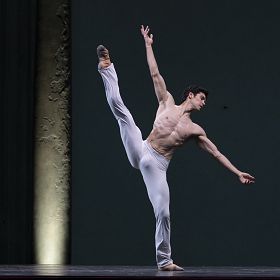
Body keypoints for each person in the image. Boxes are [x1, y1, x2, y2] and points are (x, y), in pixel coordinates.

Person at [96, 25, 255, 271]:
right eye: (202, 98)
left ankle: (164, 261)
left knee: (164, 213)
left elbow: (216, 153)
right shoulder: (166, 101)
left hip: (158, 165)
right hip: (142, 149)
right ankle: (106, 67)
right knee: (123, 113)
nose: (204, 103)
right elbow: (154, 73)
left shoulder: (194, 130)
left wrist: (237, 172)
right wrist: (148, 45)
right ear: (190, 95)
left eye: (205, 101)